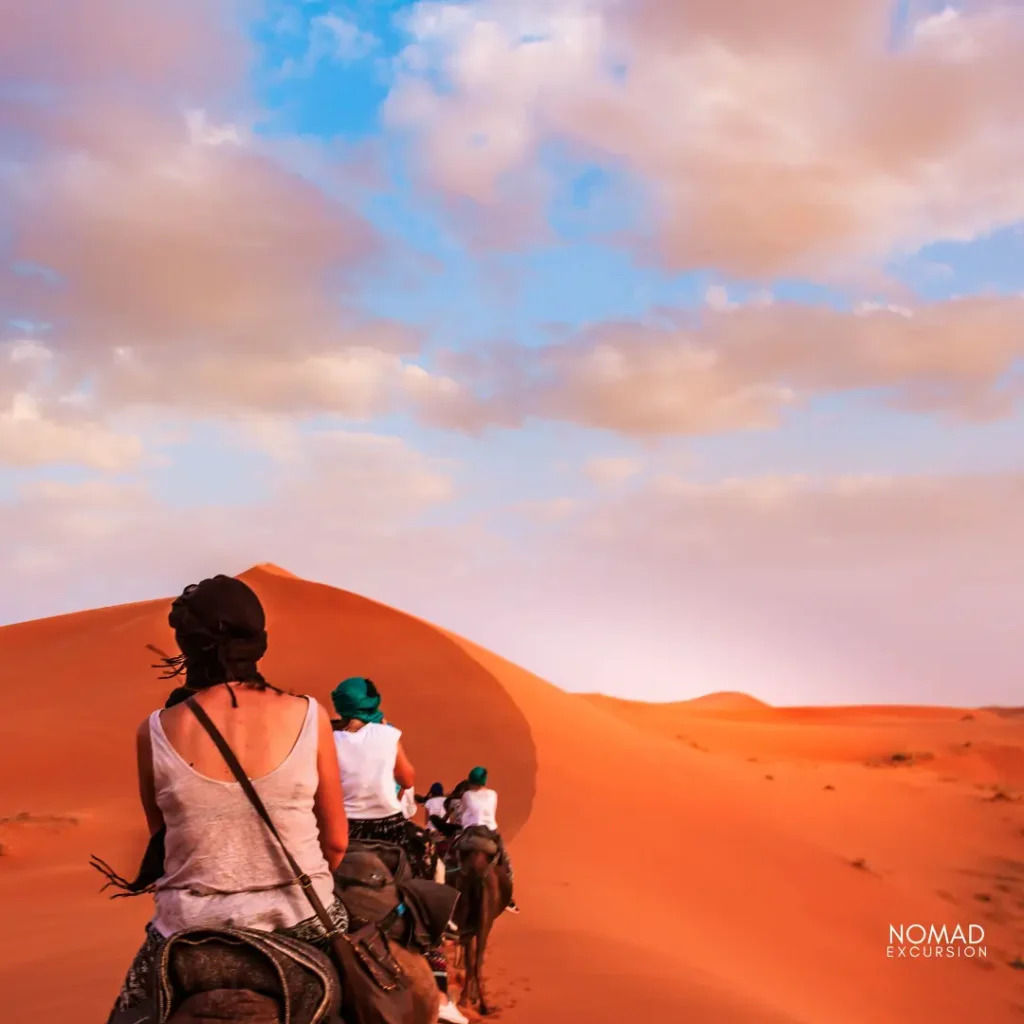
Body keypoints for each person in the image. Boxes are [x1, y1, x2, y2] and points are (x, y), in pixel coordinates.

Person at [104, 575, 350, 1023]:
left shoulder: (155, 730)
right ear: (258, 641)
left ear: (188, 644)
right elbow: (336, 842)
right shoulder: (310, 715)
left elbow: (164, 842)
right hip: (302, 925)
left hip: (187, 937)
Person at [331, 677, 467, 1024]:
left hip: (341, 830)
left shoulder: (330, 738)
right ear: (372, 703)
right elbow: (407, 779)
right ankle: (438, 982)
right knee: (424, 881)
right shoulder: (389, 734)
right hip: (389, 831)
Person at [458, 766, 519, 915]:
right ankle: (508, 899)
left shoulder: (466, 795)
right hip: (490, 833)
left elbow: (462, 814)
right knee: (505, 862)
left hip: (470, 833)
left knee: (450, 854)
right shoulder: (493, 794)